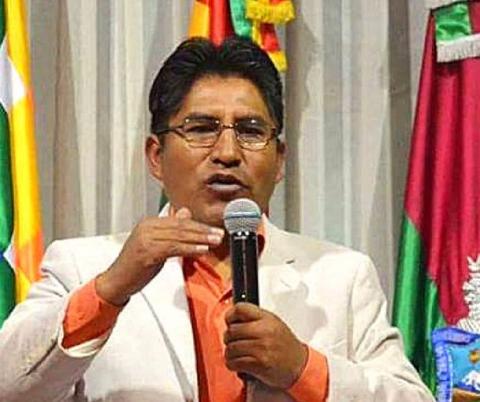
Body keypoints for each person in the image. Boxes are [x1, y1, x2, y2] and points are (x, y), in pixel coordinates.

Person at [0, 36, 434, 402]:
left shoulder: (342, 277)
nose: (227, 153)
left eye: (250, 130)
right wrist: (111, 289)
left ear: (279, 160)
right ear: (156, 156)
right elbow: (10, 387)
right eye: (201, 128)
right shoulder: (85, 267)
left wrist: (304, 368)